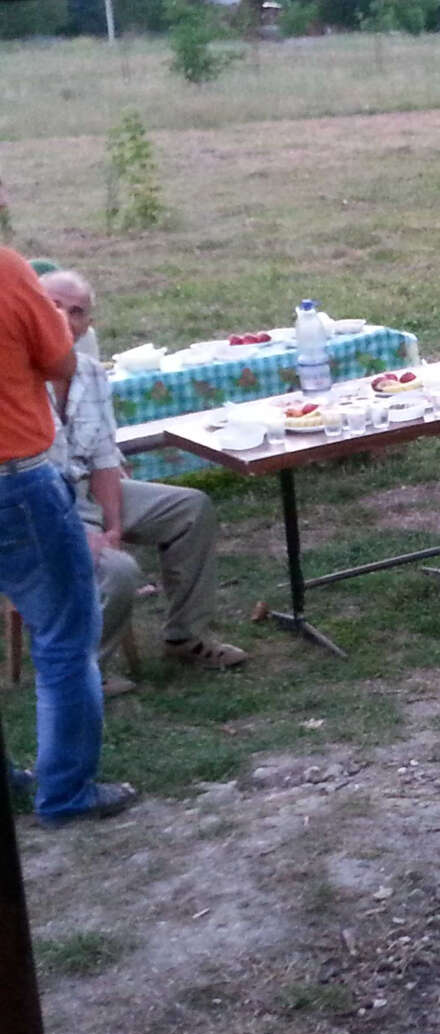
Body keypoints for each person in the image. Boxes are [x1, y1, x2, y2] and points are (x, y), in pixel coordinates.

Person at [40, 269, 246, 682]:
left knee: (191, 509)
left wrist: (113, 526)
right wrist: (81, 533)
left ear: (88, 324)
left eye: (77, 311)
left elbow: (103, 457)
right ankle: (83, 674)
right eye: (53, 306)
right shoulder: (12, 378)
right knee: (118, 572)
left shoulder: (90, 372)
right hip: (37, 505)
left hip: (87, 488)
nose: (64, 318)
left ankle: (185, 637)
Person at [0, 246, 138, 825]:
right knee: (63, 641)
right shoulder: (7, 268)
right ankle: (66, 794)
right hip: (13, 479)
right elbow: (60, 361)